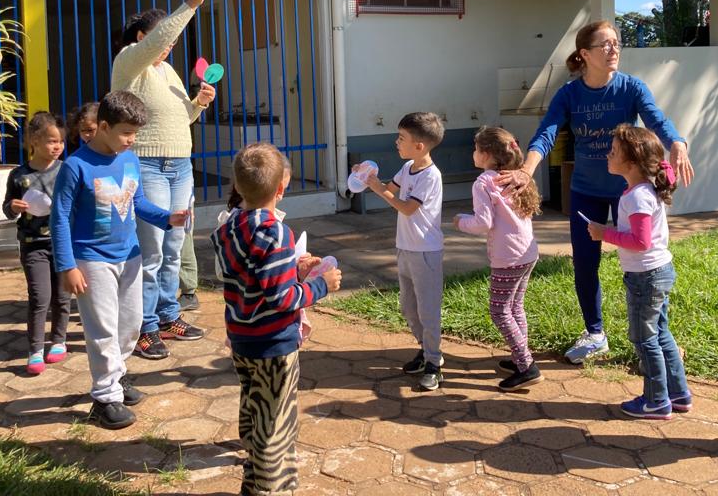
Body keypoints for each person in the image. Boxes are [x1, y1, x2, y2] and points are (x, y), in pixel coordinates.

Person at [498, 20, 694, 364]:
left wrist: (676, 142)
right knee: (585, 265)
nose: (613, 49)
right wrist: (527, 169)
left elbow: (656, 119)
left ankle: (657, 342)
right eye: (605, 44)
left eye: (616, 42)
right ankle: (595, 333)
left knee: (646, 265)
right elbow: (546, 133)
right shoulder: (569, 94)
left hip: (629, 192)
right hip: (586, 192)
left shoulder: (631, 87)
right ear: (585, 54)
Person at [51, 90, 189, 429]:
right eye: (126, 132)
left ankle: (117, 376)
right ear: (103, 127)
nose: (131, 140)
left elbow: (137, 202)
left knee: (130, 325)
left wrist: (168, 218)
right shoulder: (75, 166)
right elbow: (59, 218)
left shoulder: (130, 160)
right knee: (102, 329)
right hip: (91, 260)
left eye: (135, 133)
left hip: (130, 256)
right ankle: (104, 397)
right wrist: (67, 266)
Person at [212, 143, 341, 494]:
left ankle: (254, 473)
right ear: (281, 188)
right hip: (274, 344)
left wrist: (292, 268)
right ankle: (270, 486)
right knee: (276, 423)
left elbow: (252, 277)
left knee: (255, 405)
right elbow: (283, 299)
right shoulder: (275, 232)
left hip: (242, 338)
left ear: (237, 185)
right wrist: (321, 285)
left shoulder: (229, 226)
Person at [110, 0, 216, 360]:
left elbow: (179, 119)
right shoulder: (129, 62)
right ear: (142, 38)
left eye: (171, 44)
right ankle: (144, 326)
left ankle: (169, 315)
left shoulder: (167, 72)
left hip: (180, 166)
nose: (169, 47)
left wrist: (198, 103)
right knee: (151, 251)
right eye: (162, 41)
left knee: (173, 247)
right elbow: (159, 39)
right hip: (147, 166)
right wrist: (191, 5)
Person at [587, 124, 691, 419]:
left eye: (613, 152)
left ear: (632, 163)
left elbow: (641, 242)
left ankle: (656, 400)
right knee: (660, 333)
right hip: (657, 272)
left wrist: (603, 233)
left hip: (645, 277)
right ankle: (678, 393)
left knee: (644, 339)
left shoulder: (637, 197)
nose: (608, 155)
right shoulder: (642, 191)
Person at [454, 126, 543, 392]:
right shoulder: (517, 177)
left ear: (487, 154)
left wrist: (461, 221)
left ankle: (526, 366)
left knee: (499, 311)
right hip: (527, 253)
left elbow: (483, 222)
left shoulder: (484, 182)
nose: (473, 153)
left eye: (475, 148)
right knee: (515, 307)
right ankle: (520, 359)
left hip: (508, 257)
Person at [365, 112, 446, 391]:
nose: (396, 142)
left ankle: (434, 364)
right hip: (405, 248)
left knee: (428, 310)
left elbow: (408, 208)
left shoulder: (431, 176)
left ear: (419, 145)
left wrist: (379, 190)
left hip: (426, 252)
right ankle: (425, 350)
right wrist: (367, 177)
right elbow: (390, 189)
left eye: (402, 138)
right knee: (409, 307)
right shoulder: (408, 167)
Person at [2, 111, 71, 375]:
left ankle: (59, 340)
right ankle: (35, 349)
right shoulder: (19, 175)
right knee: (40, 297)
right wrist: (13, 207)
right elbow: (7, 208)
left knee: (62, 296)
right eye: (51, 141)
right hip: (33, 244)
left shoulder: (66, 170)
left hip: (62, 244)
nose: (57, 146)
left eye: (61, 141)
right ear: (33, 140)